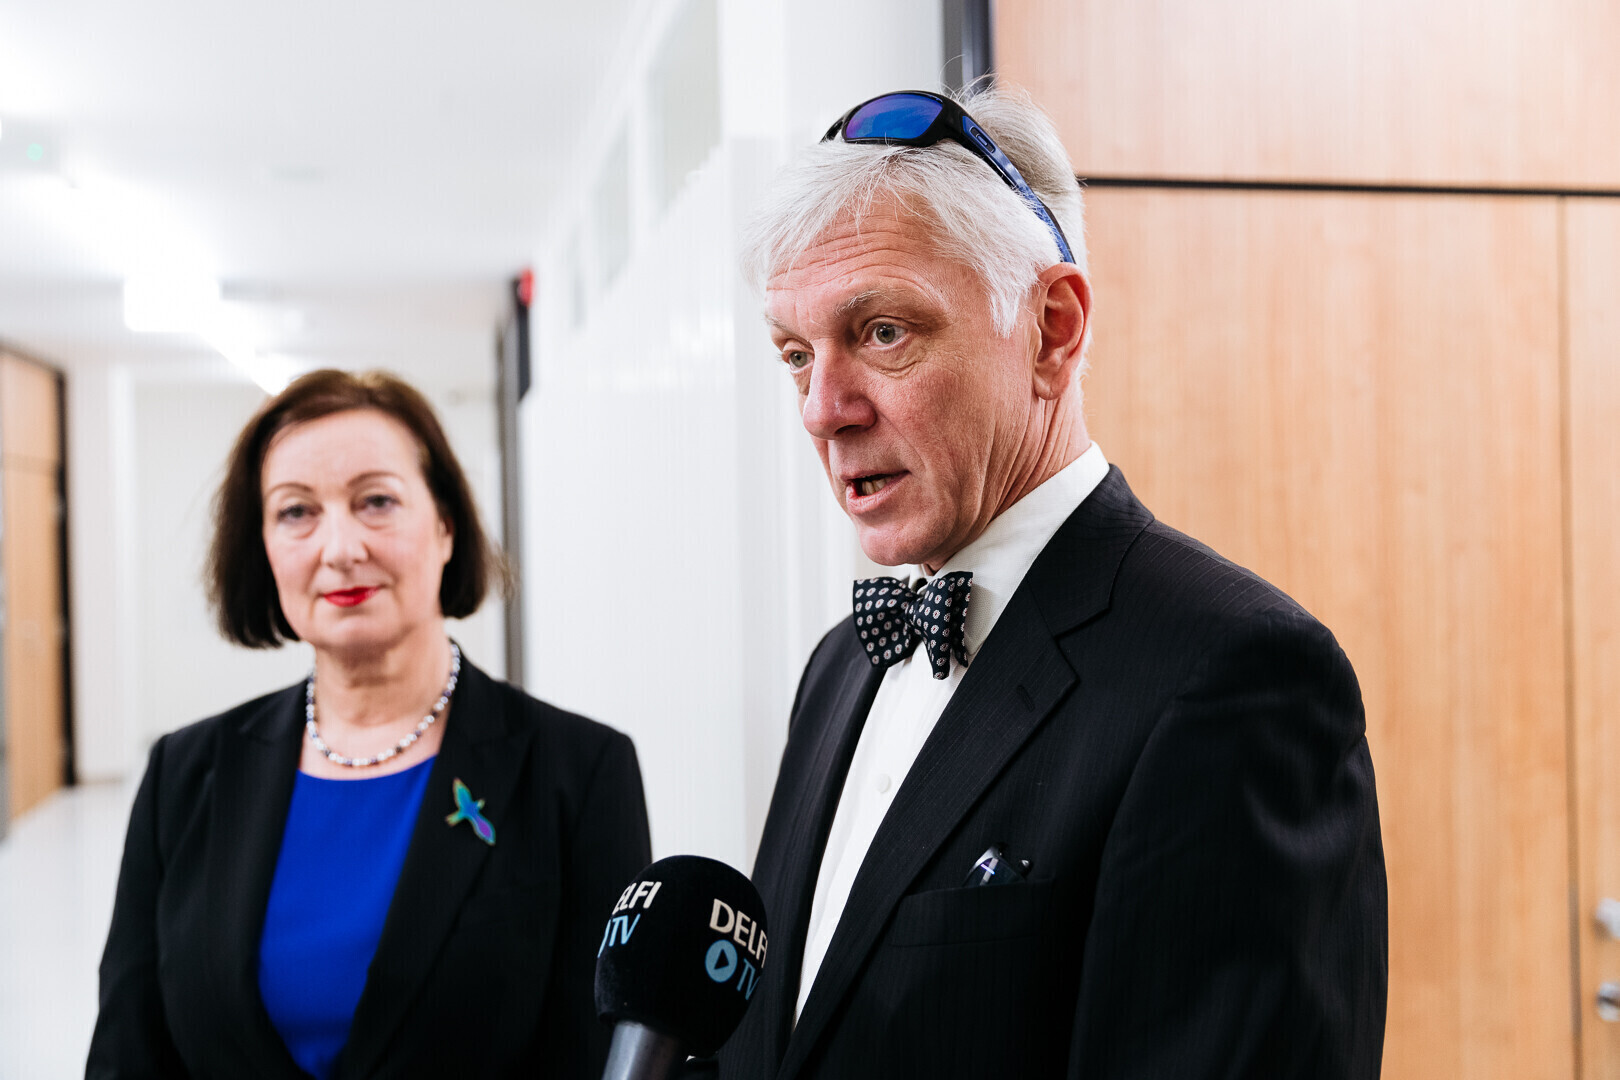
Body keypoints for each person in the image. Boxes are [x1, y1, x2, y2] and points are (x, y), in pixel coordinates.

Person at [716, 87, 1387, 1078]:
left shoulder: (1237, 674)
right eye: (796, 354)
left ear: (1052, 331)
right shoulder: (839, 668)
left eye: (883, 331)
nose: (823, 409)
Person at [87, 369, 651, 1079]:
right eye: (296, 511)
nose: (340, 548)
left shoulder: (579, 772)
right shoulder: (184, 773)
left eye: (376, 501)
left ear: (445, 526)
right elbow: (128, 1056)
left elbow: (603, 1060)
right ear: (263, 546)